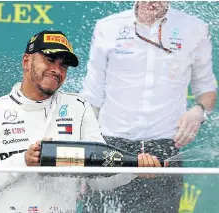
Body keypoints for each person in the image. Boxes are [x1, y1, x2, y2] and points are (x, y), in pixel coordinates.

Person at [0, 30, 162, 213]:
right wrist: (22, 161)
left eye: (64, 66)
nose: (57, 70)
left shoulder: (78, 107)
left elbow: (97, 180)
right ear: (26, 61)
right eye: (50, 60)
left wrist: (134, 170)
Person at [81, 1, 217, 213]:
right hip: (111, 145)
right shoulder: (107, 27)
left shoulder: (194, 29)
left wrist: (198, 111)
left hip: (163, 151)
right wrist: (85, 156)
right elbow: (93, 95)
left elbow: (207, 89)